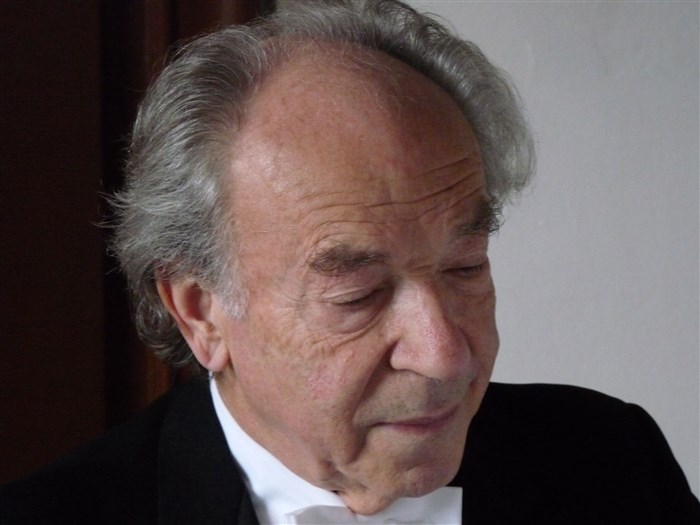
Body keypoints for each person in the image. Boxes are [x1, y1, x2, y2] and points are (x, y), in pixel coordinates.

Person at [1, 0, 698, 523]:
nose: (444, 356)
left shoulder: (613, 464)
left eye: (465, 266)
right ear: (201, 311)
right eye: (358, 295)